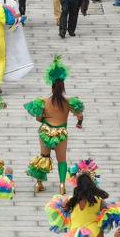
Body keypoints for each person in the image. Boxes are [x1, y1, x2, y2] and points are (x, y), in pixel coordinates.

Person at [26, 57, 85, 193]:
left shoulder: (44, 102)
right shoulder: (69, 102)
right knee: (62, 160)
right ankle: (62, 185)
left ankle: (39, 183)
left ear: (52, 88)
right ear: (63, 88)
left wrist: (44, 117)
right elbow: (80, 115)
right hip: (61, 133)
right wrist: (79, 123)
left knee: (44, 157)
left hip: (46, 132)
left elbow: (38, 119)